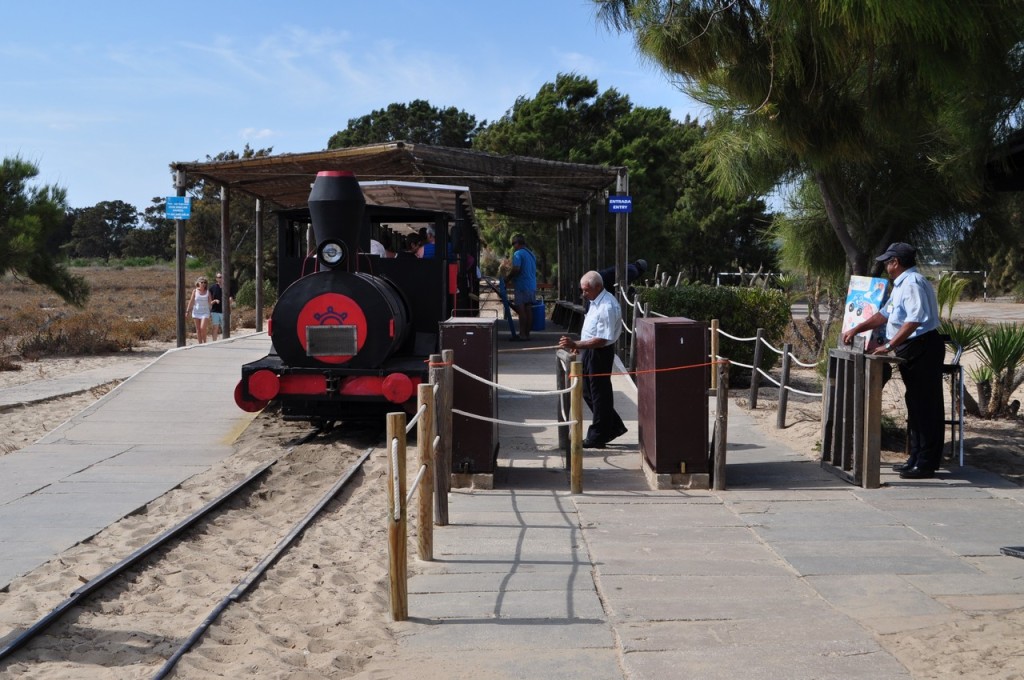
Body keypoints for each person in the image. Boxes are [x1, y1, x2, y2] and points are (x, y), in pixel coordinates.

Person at [841, 242, 944, 479]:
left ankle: (926, 462)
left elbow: (915, 320)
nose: (886, 265)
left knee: (925, 404)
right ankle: (916, 456)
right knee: (914, 402)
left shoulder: (912, 283)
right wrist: (857, 329)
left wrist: (889, 346)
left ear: (895, 262)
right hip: (911, 346)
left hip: (923, 345)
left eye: (887, 261)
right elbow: (884, 315)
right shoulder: (900, 285)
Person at [558, 271, 628, 448]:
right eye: (582, 290)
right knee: (588, 391)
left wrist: (577, 343)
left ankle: (598, 435)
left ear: (598, 287)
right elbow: (591, 330)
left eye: (586, 290)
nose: (583, 294)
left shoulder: (607, 306)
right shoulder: (594, 301)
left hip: (600, 352)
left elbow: (602, 339)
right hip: (590, 350)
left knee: (599, 394)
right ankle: (613, 426)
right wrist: (579, 344)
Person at [507, 233, 537, 340]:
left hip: (522, 285)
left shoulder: (518, 254)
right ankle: (527, 334)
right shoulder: (531, 254)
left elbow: (516, 268)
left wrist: (508, 278)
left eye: (513, 243)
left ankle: (522, 334)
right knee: (528, 309)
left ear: (518, 243)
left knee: (521, 310)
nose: (513, 246)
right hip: (532, 286)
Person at [186, 276, 212, 344]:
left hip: (205, 312)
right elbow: (191, 301)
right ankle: (200, 343)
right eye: (202, 282)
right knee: (198, 329)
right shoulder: (195, 291)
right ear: (198, 283)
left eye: (205, 282)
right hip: (196, 312)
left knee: (202, 328)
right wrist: (187, 311)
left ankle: (205, 341)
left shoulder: (207, 292)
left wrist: (212, 311)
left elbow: (210, 303)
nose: (203, 284)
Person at [209, 272, 224, 342]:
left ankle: (226, 341)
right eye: (219, 277)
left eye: (221, 277)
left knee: (225, 328)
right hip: (215, 311)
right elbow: (209, 301)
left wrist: (230, 300)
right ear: (216, 278)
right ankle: (214, 342)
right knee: (215, 327)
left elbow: (231, 298)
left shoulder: (227, 287)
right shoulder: (212, 288)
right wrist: (214, 301)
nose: (220, 278)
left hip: (225, 311)